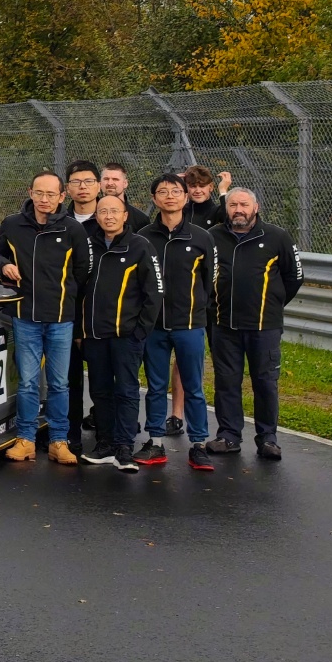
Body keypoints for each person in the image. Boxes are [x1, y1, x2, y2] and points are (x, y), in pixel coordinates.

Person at [0, 170, 92, 465]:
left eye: (51, 195)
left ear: (62, 196)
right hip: (25, 316)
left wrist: (68, 300)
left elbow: (82, 272)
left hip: (61, 319)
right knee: (28, 382)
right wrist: (4, 265)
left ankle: (59, 441)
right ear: (30, 193)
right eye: (39, 193)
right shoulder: (12, 224)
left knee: (59, 384)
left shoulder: (72, 229)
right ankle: (26, 440)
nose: (44, 200)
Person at [210, 187, 302, 461]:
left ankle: (268, 439)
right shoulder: (213, 237)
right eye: (233, 204)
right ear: (226, 208)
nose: (238, 209)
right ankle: (228, 435)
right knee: (226, 382)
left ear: (256, 207)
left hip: (265, 327)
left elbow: (294, 276)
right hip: (223, 325)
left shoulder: (277, 237)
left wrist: (273, 304)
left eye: (244, 204)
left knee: (265, 383)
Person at [136, 173, 217, 471]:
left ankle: (198, 444)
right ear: (155, 199)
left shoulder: (202, 237)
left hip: (189, 325)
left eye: (175, 191)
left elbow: (210, 281)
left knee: (194, 387)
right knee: (155, 386)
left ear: (185, 197)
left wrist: (196, 312)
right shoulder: (143, 236)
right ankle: (155, 441)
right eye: (162, 191)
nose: (169, 196)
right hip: (153, 327)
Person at [76, 194, 163, 473]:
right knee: (100, 391)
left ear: (125, 215)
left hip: (127, 336)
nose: (109, 216)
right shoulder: (88, 246)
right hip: (95, 335)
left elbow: (155, 293)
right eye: (103, 212)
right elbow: (76, 290)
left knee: (126, 391)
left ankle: (125, 447)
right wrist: (81, 330)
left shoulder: (141, 246)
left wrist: (140, 331)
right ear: (96, 216)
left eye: (115, 211)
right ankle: (105, 445)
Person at [63, 159, 103, 439]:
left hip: (103, 316)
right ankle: (69, 434)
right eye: (76, 182)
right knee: (68, 379)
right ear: (67, 188)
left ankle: (107, 434)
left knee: (103, 378)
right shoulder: (59, 222)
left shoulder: (112, 220)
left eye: (88, 181)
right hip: (67, 313)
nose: (83, 187)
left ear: (98, 186)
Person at [181, 165, 232, 233]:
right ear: (185, 187)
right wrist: (172, 184)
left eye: (202, 186)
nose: (198, 191)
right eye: (193, 186)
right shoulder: (180, 211)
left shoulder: (218, 211)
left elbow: (231, 223)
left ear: (210, 187)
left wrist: (223, 190)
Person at [100, 164, 150, 230]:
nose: (110, 183)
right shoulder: (90, 215)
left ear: (125, 183)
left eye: (115, 179)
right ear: (100, 183)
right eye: (106, 179)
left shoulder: (140, 219)